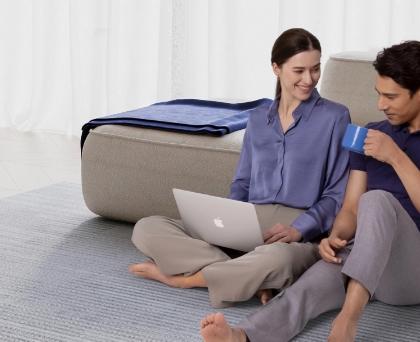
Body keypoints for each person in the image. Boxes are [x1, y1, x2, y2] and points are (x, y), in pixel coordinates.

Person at [199, 40, 420, 342]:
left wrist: (395, 156)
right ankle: (238, 341)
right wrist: (335, 236)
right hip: (360, 251)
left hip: (417, 270)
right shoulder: (368, 134)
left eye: (390, 97)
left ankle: (347, 323)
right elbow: (349, 209)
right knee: (303, 290)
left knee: (377, 200)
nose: (380, 106)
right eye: (378, 93)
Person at [129, 28, 351, 309]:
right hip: (247, 223)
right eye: (299, 71)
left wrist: (299, 229)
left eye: (315, 69)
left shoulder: (335, 117)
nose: (309, 79)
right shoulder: (258, 118)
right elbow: (243, 182)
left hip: (297, 232)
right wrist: (224, 221)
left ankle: (189, 279)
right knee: (147, 228)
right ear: (276, 68)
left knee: (278, 260)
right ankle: (247, 274)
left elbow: (336, 194)